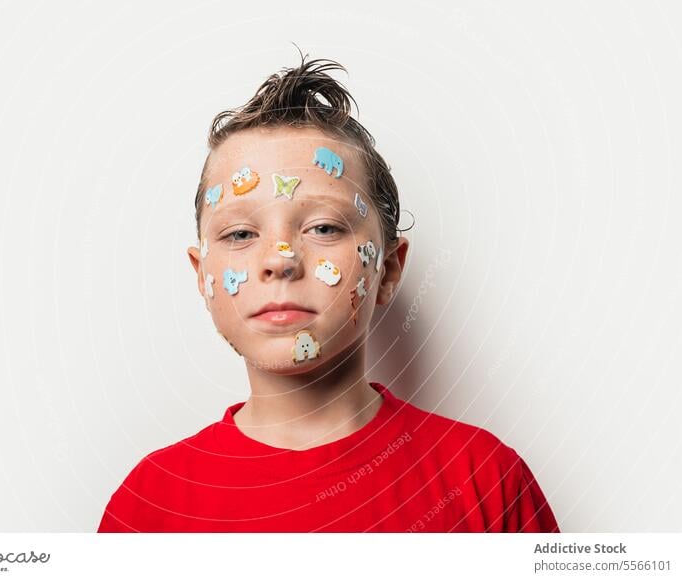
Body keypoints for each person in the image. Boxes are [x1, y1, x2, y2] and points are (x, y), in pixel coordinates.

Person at [97, 54, 560, 533]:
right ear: (201, 274)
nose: (279, 259)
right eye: (239, 235)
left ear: (388, 270)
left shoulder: (484, 480)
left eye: (323, 227)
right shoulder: (150, 504)